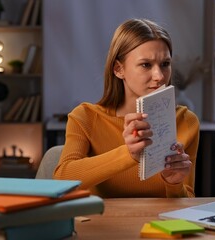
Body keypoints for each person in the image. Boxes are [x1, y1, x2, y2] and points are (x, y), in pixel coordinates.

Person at [53, 18, 200, 198]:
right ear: (118, 69)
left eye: (165, 64)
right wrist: (128, 154)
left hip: (160, 224)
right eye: (146, 65)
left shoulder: (186, 121)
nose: (159, 76)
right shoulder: (85, 117)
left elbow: (187, 201)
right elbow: (62, 179)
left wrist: (174, 183)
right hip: (105, 224)